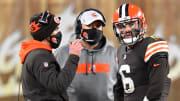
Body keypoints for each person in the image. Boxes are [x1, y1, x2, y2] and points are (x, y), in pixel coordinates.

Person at [55, 8, 118, 101]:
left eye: (98, 25)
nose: (95, 29)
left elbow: (121, 88)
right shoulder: (62, 53)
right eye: (89, 25)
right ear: (79, 28)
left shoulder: (114, 53)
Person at [19, 10, 83, 101]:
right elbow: (58, 85)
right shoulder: (40, 56)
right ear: (46, 33)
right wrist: (74, 56)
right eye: (56, 29)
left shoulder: (37, 53)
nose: (59, 32)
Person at [112, 3, 171, 101]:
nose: (127, 30)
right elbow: (118, 90)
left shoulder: (152, 44)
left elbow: (158, 87)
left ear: (142, 24)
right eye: (121, 26)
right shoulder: (120, 50)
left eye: (131, 24)